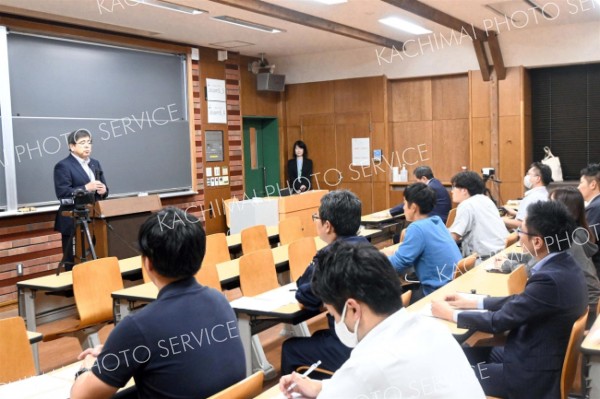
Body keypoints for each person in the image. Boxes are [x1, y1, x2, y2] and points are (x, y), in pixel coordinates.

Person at [70, 207, 245, 399]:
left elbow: (81, 397)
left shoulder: (137, 327)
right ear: (200, 256)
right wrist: (117, 351)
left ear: (148, 264)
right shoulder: (219, 299)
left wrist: (87, 367)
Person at [279, 241, 485, 399]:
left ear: (352, 309)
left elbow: (363, 380)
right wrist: (320, 387)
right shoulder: (431, 327)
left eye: (333, 314)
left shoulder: (366, 368)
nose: (335, 321)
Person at [432, 201, 588, 399]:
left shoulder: (549, 279)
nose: (516, 237)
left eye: (521, 232)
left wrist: (450, 314)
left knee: (451, 374)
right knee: (463, 352)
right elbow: (520, 301)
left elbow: (498, 322)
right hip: (536, 354)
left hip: (529, 375)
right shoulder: (565, 265)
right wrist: (473, 301)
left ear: (538, 242)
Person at [280, 190, 369, 376]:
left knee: (290, 348)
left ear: (327, 226)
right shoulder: (368, 247)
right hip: (371, 339)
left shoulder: (328, 257)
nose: (316, 221)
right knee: (318, 337)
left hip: (349, 346)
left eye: (316, 217)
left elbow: (305, 296)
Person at [383, 183, 462, 302]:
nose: (403, 208)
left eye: (404, 203)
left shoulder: (417, 228)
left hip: (435, 293)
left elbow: (400, 263)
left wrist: (377, 259)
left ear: (413, 207)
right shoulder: (436, 221)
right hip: (451, 286)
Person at [54, 129, 108, 270]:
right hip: (72, 219)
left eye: (89, 142)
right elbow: (63, 194)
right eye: (82, 143)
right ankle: (72, 289)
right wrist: (86, 187)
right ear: (71, 146)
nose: (87, 146)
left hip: (93, 218)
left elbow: (102, 189)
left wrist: (104, 191)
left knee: (92, 259)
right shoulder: (63, 166)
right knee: (72, 263)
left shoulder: (95, 163)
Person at [551, 186, 600, 324]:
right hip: (589, 301)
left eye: (550, 203)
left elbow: (533, 265)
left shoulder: (567, 240)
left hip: (586, 306)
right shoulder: (577, 232)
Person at [448, 171, 509, 259]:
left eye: (454, 187)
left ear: (464, 190)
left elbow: (454, 237)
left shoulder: (466, 205)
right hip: (501, 253)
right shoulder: (485, 199)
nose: (452, 191)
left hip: (485, 260)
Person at [502, 162, 551, 229]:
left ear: (537, 179)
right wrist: (515, 213)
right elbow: (534, 219)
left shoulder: (531, 198)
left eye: (529, 174)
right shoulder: (546, 194)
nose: (526, 177)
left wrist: (501, 219)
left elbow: (520, 224)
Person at [579, 163, 600, 276]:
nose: (578, 187)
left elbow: (587, 241)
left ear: (593, 184)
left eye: (581, 183)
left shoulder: (596, 207)